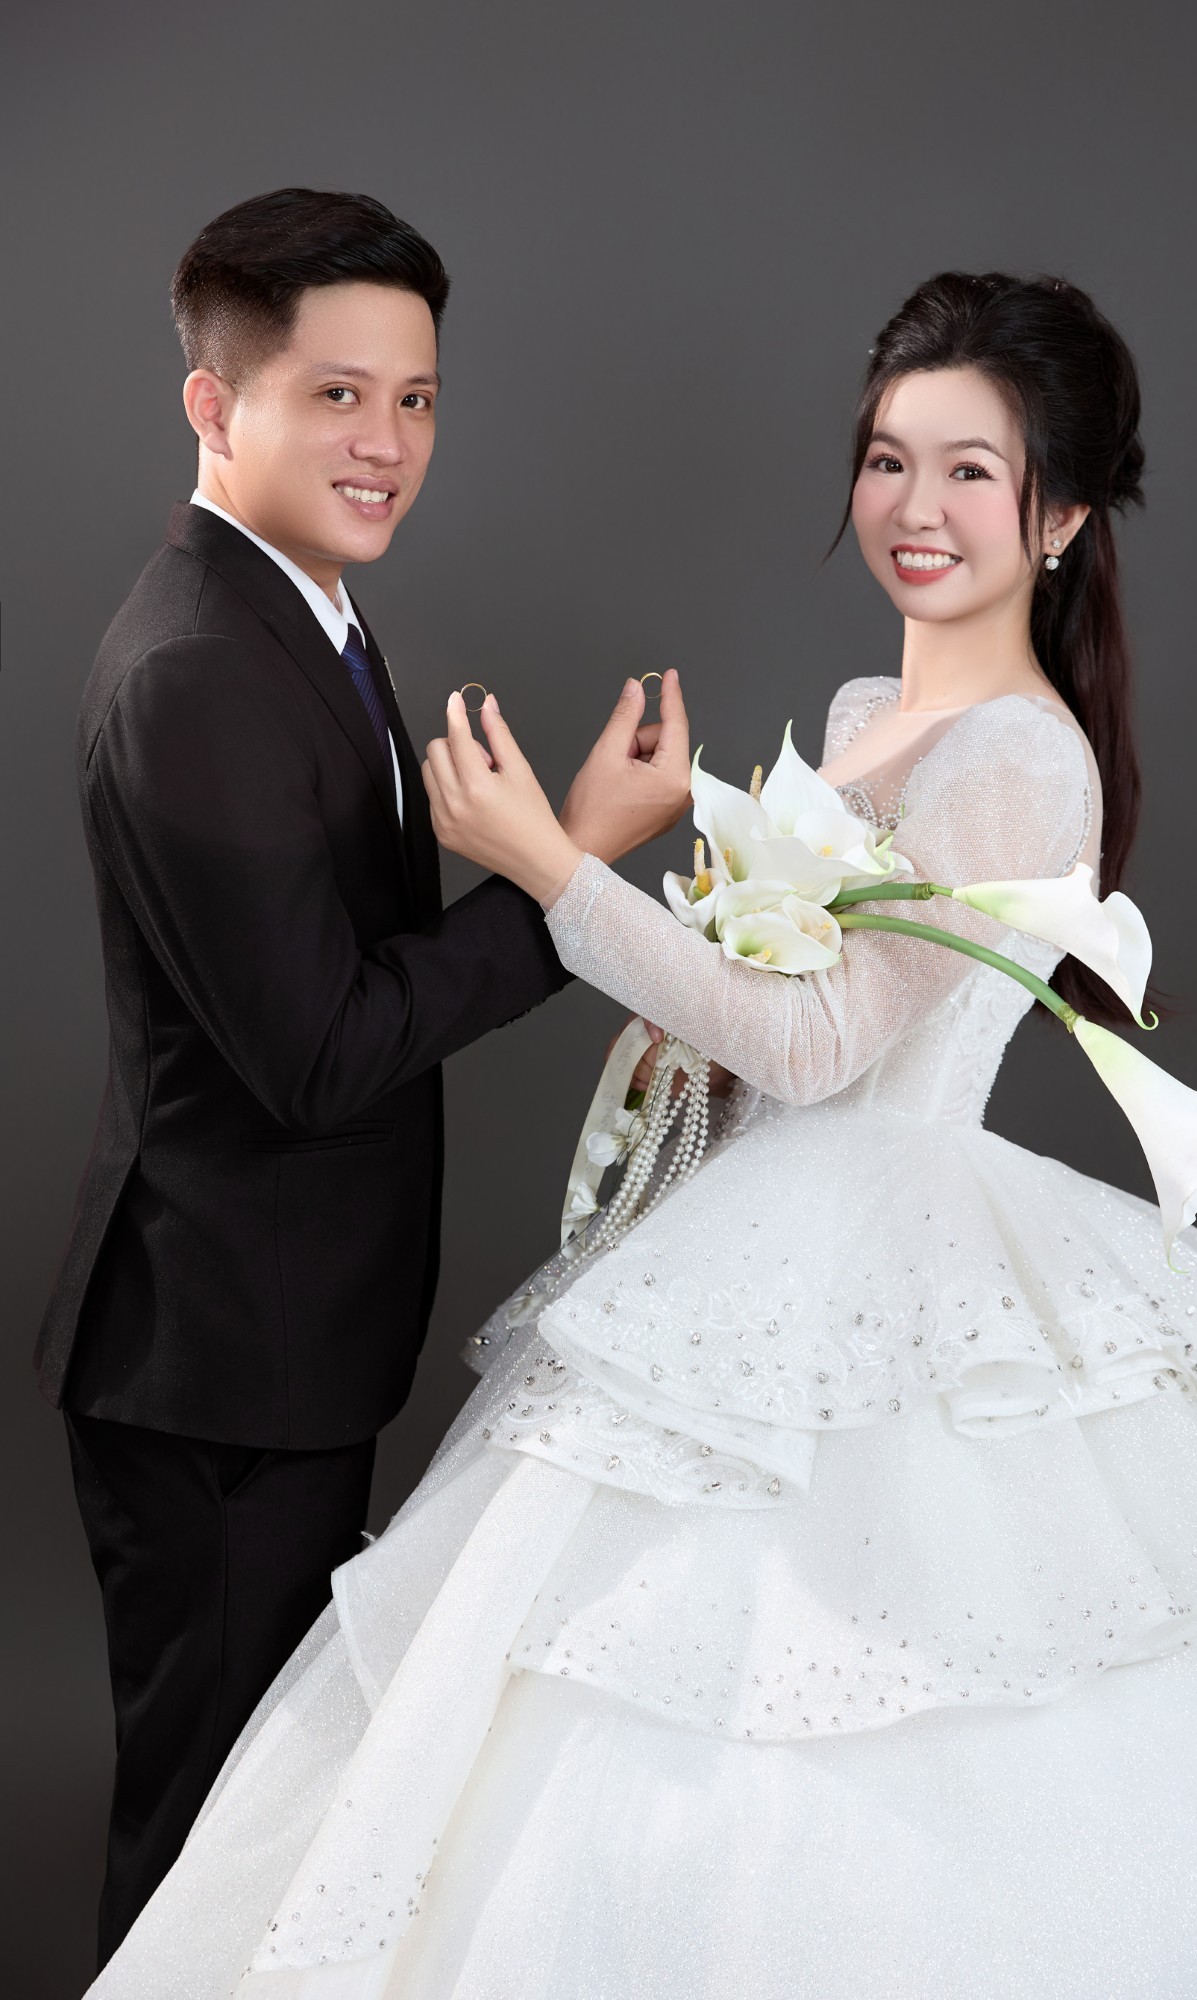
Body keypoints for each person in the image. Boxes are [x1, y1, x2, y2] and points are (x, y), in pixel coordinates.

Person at [83, 273, 1197, 1999]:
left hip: (894, 1249)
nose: (914, 508)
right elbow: (785, 1031)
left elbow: (825, 1046)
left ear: (1056, 518)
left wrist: (554, 865)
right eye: (887, 461)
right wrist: (688, 1006)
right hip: (766, 1218)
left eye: (969, 473)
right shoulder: (866, 710)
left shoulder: (1015, 760)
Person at [36, 186, 691, 1970]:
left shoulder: (301, 611)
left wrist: (553, 869)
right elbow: (319, 1055)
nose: (386, 443)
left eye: (414, 399)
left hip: (273, 1342)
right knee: (206, 1844)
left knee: (272, 1822)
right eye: (336, 395)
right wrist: (564, 873)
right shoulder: (196, 663)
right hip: (214, 1369)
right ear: (212, 401)